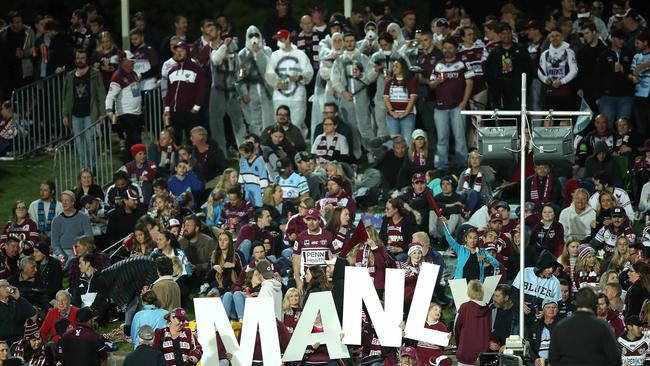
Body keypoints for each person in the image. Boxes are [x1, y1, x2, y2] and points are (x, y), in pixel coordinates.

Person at [430, 36, 473, 172]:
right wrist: (437, 82)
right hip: (440, 107)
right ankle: (442, 166)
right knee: (442, 138)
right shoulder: (438, 64)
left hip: (457, 106)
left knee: (460, 138)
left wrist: (464, 102)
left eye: (450, 47)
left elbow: (470, 83)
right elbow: (431, 84)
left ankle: (462, 165)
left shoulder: (463, 63)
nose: (447, 50)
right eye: (445, 48)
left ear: (455, 48)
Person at [549, 287, 620, 366]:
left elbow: (553, 359)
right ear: (594, 304)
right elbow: (614, 357)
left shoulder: (560, 326)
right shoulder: (603, 326)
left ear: (576, 303)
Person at [330, 32, 372, 160]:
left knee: (365, 126)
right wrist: (343, 92)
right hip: (346, 98)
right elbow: (334, 78)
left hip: (361, 97)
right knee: (351, 126)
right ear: (343, 42)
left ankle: (371, 151)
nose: (349, 43)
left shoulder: (363, 58)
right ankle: (356, 153)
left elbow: (370, 77)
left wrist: (361, 77)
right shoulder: (339, 59)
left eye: (352, 40)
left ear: (355, 41)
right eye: (347, 41)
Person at [265, 29, 314, 138]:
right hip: (279, 95)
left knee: (297, 121)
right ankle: (280, 147)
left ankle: (298, 147)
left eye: (281, 38)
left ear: (288, 38)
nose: (279, 41)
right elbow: (269, 74)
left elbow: (309, 71)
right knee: (279, 122)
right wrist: (276, 84)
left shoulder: (300, 54)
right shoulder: (274, 55)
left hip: (297, 94)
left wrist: (300, 77)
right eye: (278, 39)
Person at [62, 49, 106, 169]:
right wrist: (65, 114)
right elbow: (66, 97)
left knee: (90, 141)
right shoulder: (70, 76)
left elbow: (101, 94)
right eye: (78, 58)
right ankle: (84, 170)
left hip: (90, 114)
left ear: (86, 59)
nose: (80, 60)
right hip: (75, 115)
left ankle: (91, 168)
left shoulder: (95, 73)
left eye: (82, 58)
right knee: (79, 144)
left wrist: (102, 113)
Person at [163, 41, 207, 145]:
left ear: (187, 52)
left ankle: (193, 161)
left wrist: (196, 107)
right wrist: (167, 108)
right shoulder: (172, 71)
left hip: (190, 112)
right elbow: (169, 92)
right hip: (174, 112)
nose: (178, 53)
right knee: (174, 141)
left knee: (192, 141)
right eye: (176, 51)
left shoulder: (197, 69)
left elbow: (201, 90)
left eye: (181, 51)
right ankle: (175, 161)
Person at [106, 50, 144, 162]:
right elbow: (110, 95)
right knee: (136, 141)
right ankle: (138, 163)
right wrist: (109, 110)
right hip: (126, 115)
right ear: (123, 61)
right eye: (131, 61)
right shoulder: (118, 76)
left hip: (136, 113)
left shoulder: (133, 73)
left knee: (130, 142)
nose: (133, 63)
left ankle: (127, 164)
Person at [485, 22, 533, 110]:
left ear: (511, 34)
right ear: (499, 35)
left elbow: (529, 70)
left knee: (520, 115)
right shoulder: (494, 52)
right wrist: (494, 87)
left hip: (518, 88)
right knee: (504, 116)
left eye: (508, 33)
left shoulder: (521, 50)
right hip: (501, 90)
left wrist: (525, 86)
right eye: (503, 33)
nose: (506, 36)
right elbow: (488, 72)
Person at [238, 25, 275, 136]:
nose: (254, 38)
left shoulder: (267, 51)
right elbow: (240, 76)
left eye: (256, 35)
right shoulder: (242, 54)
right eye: (251, 36)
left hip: (267, 92)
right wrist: (243, 92)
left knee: (269, 120)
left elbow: (269, 69)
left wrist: (259, 53)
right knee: (254, 122)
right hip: (251, 93)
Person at [50, 191, 93, 267]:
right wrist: (60, 254)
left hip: (78, 250)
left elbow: (89, 237)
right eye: (62, 200)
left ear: (73, 202)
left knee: (73, 260)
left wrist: (81, 250)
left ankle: (66, 270)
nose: (64, 203)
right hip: (61, 251)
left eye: (67, 200)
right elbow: (54, 242)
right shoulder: (56, 220)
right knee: (54, 261)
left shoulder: (83, 217)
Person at [455, 280, 491, 366]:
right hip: (482, 354)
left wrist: (458, 343)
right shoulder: (488, 309)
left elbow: (456, 327)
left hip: (465, 351)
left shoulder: (465, 307)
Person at [0, 279, 37, 345]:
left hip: (18, 341)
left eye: (8, 285)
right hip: (2, 343)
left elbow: (32, 313)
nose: (7, 287)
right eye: (3, 286)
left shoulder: (17, 303)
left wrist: (18, 298)